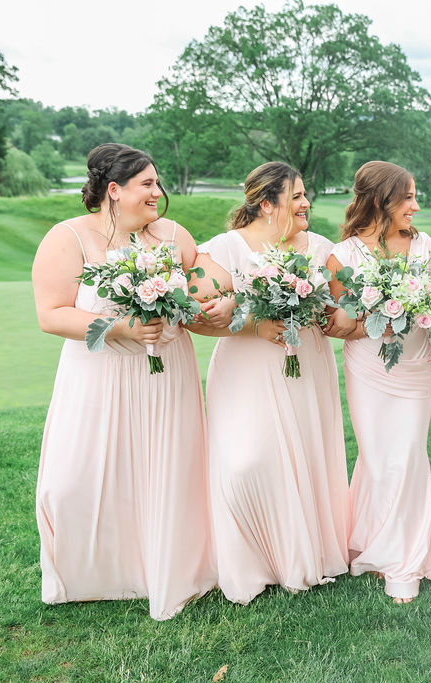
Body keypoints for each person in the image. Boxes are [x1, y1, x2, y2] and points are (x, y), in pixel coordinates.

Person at [31, 143, 215, 620]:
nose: (158, 192)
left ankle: (164, 566)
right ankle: (96, 572)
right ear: (114, 190)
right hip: (97, 376)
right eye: (147, 184)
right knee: (72, 480)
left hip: (165, 374)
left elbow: (206, 287)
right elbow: (51, 315)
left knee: (165, 467)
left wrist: (221, 298)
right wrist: (117, 328)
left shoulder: (174, 234)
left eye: (158, 183)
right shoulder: (68, 237)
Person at [187, 162, 350, 604]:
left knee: (302, 455)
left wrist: (321, 311)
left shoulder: (320, 248)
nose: (305, 202)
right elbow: (196, 316)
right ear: (266, 203)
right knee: (245, 462)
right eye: (295, 196)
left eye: (304, 195)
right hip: (246, 371)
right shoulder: (226, 248)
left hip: (305, 367)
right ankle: (249, 562)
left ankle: (299, 555)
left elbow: (340, 312)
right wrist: (252, 320)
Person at [324, 161, 431, 604]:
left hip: (416, 367)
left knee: (408, 457)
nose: (416, 206)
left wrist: (423, 313)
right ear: (381, 201)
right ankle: (373, 540)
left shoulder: (424, 245)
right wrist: (385, 318)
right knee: (378, 459)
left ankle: (404, 560)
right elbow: (336, 325)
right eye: (408, 197)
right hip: (369, 370)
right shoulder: (344, 256)